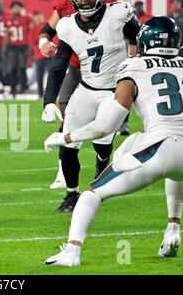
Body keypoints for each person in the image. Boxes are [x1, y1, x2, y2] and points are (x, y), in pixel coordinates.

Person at [44, 16, 183, 266]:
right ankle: (173, 229)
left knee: (92, 193)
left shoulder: (134, 67)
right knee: (175, 171)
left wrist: (65, 136)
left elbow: (106, 126)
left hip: (157, 149)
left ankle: (72, 251)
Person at [42, 0, 140, 213]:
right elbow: (59, 65)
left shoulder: (119, 12)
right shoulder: (67, 25)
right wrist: (48, 101)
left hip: (113, 92)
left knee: (102, 143)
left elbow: (139, 37)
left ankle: (101, 173)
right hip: (86, 88)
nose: (84, 0)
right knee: (69, 143)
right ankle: (71, 195)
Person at [1, 1, 32, 97]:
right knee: (12, 69)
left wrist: (29, 47)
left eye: (18, 7)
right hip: (12, 47)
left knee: (22, 68)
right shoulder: (7, 19)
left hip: (23, 47)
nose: (16, 9)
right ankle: (13, 90)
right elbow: (6, 35)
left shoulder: (26, 18)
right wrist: (4, 49)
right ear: (11, 9)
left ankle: (23, 89)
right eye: (14, 7)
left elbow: (31, 31)